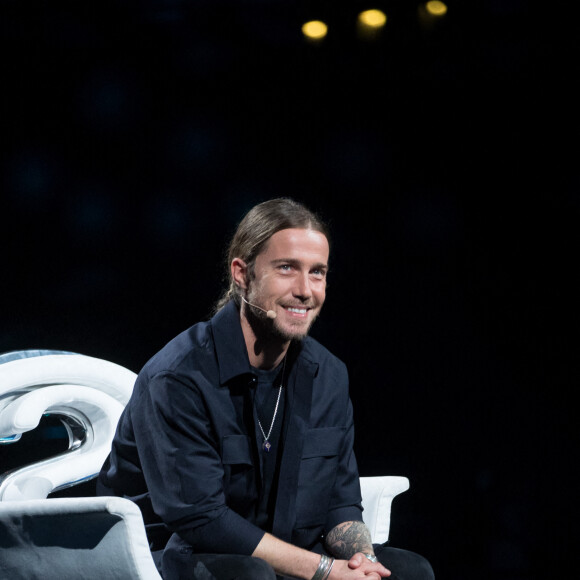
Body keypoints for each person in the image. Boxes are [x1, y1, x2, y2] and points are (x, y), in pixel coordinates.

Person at [98, 198, 434, 580]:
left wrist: (362, 562)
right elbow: (202, 519)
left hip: (284, 553)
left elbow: (340, 500)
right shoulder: (179, 378)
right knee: (251, 576)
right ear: (242, 274)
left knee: (411, 571)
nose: (306, 290)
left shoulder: (328, 375)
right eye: (287, 268)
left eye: (318, 272)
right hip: (176, 555)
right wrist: (324, 571)